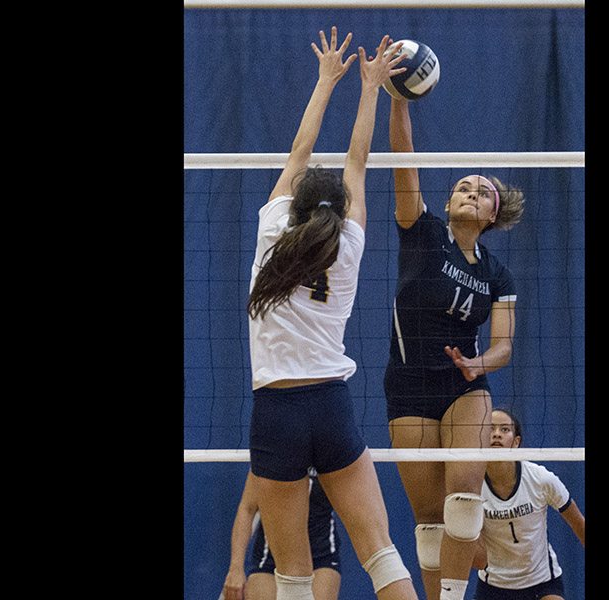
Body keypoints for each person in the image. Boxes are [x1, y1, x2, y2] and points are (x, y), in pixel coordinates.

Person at [245, 27, 418, 600]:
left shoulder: (272, 230)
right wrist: (370, 88)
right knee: (382, 555)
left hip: (276, 409)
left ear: (292, 205)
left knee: (292, 574)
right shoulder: (350, 243)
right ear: (339, 210)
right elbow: (358, 161)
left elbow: (300, 153)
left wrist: (325, 81)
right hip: (331, 404)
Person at [384, 94, 526, 600]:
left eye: (481, 191)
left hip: (465, 383)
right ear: (447, 205)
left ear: (492, 213)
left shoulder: (497, 273)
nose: (470, 192)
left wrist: (476, 364)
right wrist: (399, 102)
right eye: (462, 187)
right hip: (407, 384)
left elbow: (504, 346)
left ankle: (452, 598)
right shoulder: (422, 234)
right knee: (427, 519)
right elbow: (405, 160)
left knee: (463, 494)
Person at [471, 408, 585, 600]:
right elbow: (476, 557)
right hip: (494, 585)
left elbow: (578, 523)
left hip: (542, 582)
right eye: (490, 429)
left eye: (505, 429)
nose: (497, 433)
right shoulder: (472, 486)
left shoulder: (541, 479)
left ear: (516, 442)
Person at [219, 468, 342, 600]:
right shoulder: (270, 455)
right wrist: (235, 569)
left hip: (320, 555)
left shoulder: (329, 453)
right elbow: (247, 509)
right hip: (271, 558)